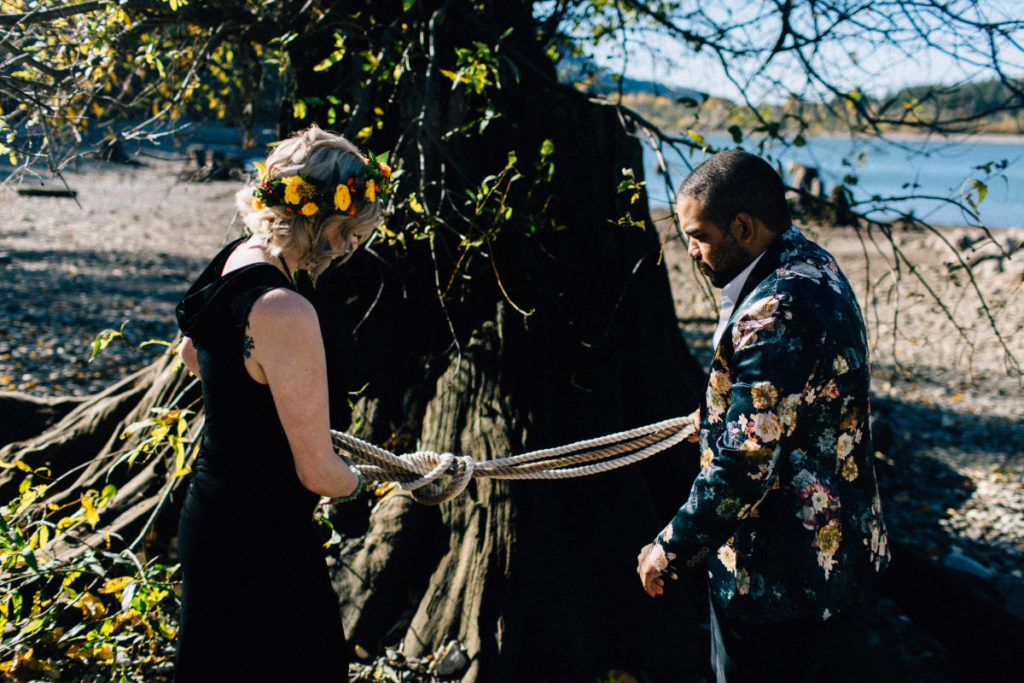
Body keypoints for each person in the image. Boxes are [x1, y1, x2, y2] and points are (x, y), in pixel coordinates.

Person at [636, 150, 889, 682]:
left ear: (743, 227)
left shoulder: (774, 311)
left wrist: (670, 548)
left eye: (698, 235)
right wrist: (715, 415)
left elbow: (746, 461)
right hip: (835, 559)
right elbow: (791, 400)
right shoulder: (812, 264)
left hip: (779, 579)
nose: (690, 252)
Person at [173, 125, 391, 682]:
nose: (349, 245)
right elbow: (317, 471)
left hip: (211, 512)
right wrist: (364, 481)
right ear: (316, 218)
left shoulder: (238, 259)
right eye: (346, 229)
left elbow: (192, 357)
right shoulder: (285, 308)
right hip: (261, 537)